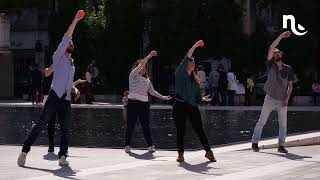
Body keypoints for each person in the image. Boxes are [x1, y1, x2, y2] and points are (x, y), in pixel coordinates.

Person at [17, 10, 84, 167]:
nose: (71, 41)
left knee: (66, 128)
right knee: (41, 124)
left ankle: (62, 156)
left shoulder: (71, 64)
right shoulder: (58, 55)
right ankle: (24, 150)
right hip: (54, 97)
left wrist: (74, 89)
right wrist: (75, 19)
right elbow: (67, 35)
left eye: (72, 41)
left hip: (65, 99)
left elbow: (67, 82)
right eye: (69, 41)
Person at [173, 40, 216, 163]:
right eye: (191, 62)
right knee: (181, 130)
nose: (193, 63)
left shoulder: (195, 80)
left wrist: (202, 99)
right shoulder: (180, 74)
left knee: (199, 129)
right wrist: (196, 45)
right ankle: (180, 154)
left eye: (194, 62)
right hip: (179, 105)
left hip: (191, 106)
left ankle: (208, 152)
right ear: (186, 64)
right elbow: (187, 56)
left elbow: (197, 97)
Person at [252, 31, 294, 153]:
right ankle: (255, 143)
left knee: (283, 124)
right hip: (269, 98)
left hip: (282, 100)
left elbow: (290, 86)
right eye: (274, 53)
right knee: (262, 121)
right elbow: (271, 47)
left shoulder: (288, 69)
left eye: (277, 52)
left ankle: (281, 146)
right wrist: (281, 36)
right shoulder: (270, 65)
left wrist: (287, 99)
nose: (275, 54)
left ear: (281, 54)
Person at [125, 50, 172, 153]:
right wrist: (149, 56)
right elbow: (142, 63)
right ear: (137, 68)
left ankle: (150, 146)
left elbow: (152, 92)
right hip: (133, 104)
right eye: (142, 66)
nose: (144, 68)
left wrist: (163, 97)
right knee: (131, 125)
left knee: (145, 125)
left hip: (144, 105)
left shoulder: (147, 80)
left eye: (145, 67)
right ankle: (127, 145)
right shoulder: (133, 75)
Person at [43, 64, 82, 153]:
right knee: (59, 123)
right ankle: (55, 145)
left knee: (53, 123)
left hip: (53, 98)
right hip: (53, 98)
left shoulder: (58, 72)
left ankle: (53, 145)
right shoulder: (58, 71)